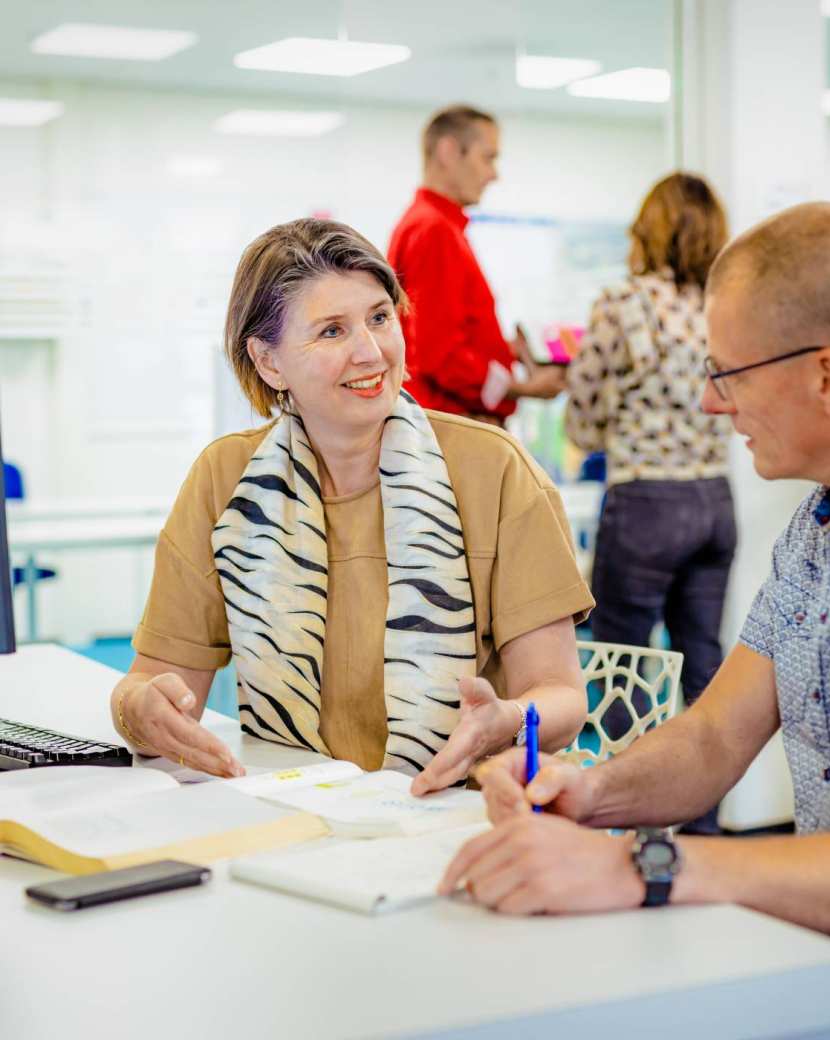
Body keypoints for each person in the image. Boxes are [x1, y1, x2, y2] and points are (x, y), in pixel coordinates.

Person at [443, 202, 830, 1038]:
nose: (711, 404)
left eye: (729, 374)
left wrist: (644, 864)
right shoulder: (821, 524)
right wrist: (588, 793)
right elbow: (716, 738)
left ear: (829, 376)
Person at [109, 218, 592, 794]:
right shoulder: (225, 481)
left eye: (380, 318)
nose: (371, 352)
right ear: (269, 361)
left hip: (452, 813)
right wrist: (139, 711)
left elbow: (561, 697)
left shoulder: (496, 468)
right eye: (333, 331)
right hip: (287, 811)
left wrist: (509, 720)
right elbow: (153, 687)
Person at [565, 173, 734, 714]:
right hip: (714, 499)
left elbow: (582, 421)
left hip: (645, 504)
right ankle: (702, 804)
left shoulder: (625, 302)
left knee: (626, 672)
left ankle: (626, 800)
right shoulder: (724, 306)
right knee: (704, 666)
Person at [387, 105, 565, 425]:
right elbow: (440, 359)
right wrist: (522, 388)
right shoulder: (433, 230)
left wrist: (506, 350)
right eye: (488, 158)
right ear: (449, 151)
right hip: (453, 427)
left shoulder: (435, 225)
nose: (493, 175)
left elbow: (437, 337)